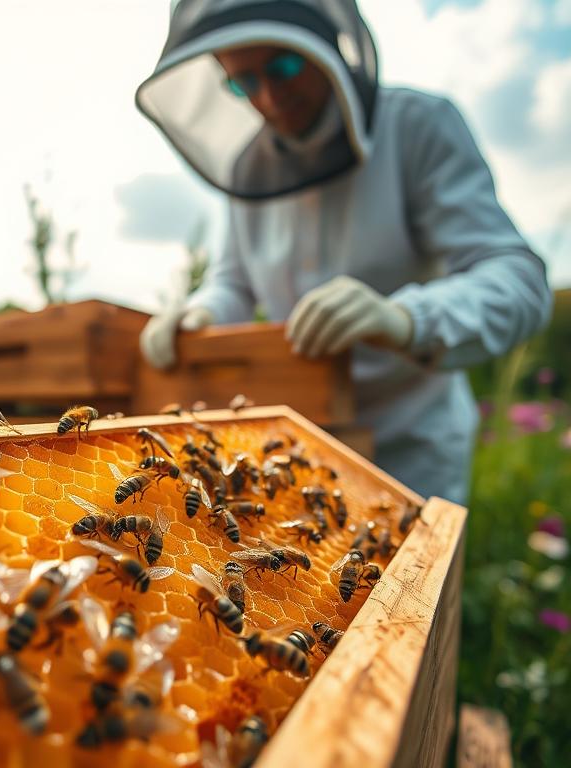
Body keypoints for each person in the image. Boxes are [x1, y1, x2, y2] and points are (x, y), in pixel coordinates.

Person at [135, 0, 552, 505]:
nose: (269, 96)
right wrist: (201, 311)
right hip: (301, 446)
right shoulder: (249, 168)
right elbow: (234, 283)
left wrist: (404, 317)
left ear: (327, 49)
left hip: (412, 444)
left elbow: (519, 280)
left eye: (283, 66)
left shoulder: (417, 126)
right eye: (243, 83)